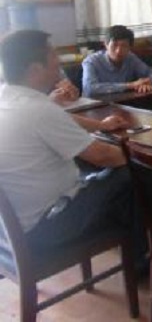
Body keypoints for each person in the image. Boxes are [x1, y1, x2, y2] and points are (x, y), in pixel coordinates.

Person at [0, 29, 135, 250]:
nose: (59, 61)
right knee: (131, 173)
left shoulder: (9, 98)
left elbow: (57, 118)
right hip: (48, 227)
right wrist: (141, 157)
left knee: (101, 174)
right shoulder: (38, 109)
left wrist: (101, 126)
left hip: (12, 229)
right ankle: (142, 257)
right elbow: (104, 156)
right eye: (53, 55)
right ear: (35, 69)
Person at [82, 25, 152, 97]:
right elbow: (89, 88)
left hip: (123, 101)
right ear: (106, 45)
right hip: (97, 105)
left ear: (130, 47)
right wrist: (131, 85)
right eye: (114, 45)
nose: (118, 51)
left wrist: (148, 81)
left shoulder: (130, 58)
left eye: (124, 46)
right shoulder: (91, 62)